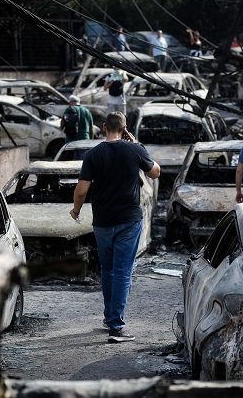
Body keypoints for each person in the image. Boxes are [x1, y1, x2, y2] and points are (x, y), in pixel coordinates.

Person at [70, 111, 161, 343]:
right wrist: (136, 144)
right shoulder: (135, 149)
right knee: (122, 272)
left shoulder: (93, 154)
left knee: (108, 271)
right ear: (125, 128)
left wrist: (76, 210)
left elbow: (81, 190)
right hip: (129, 220)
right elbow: (155, 172)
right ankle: (116, 327)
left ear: (103, 127)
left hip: (102, 221)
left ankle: (110, 318)